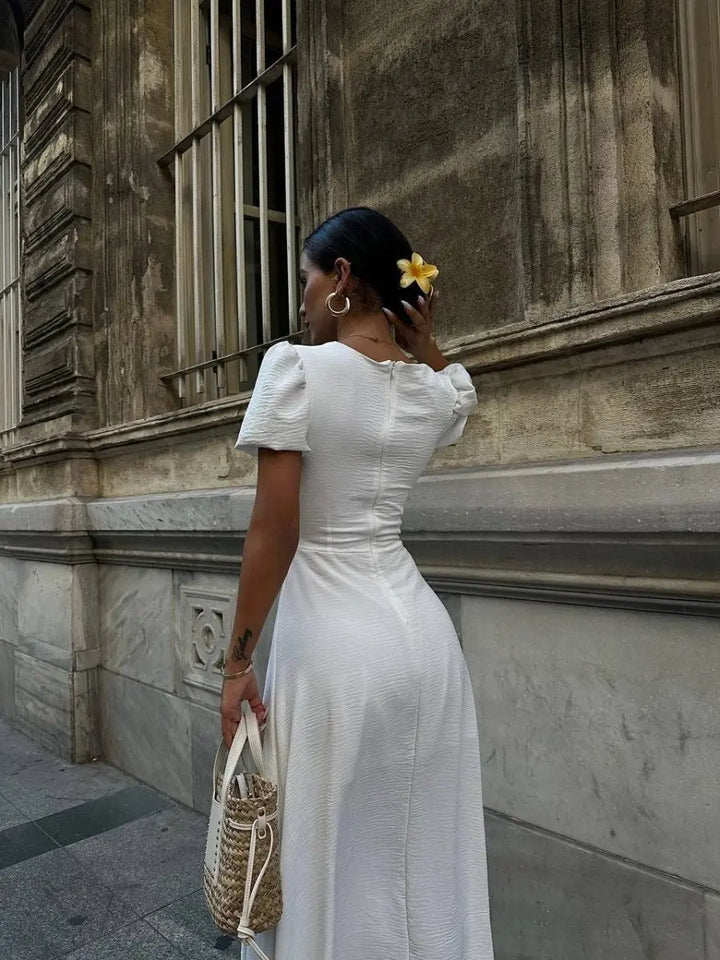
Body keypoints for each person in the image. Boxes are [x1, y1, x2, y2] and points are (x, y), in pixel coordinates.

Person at [220, 206, 494, 960]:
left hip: (333, 649)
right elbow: (457, 394)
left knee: (323, 855)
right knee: (422, 851)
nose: (304, 300)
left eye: (307, 280)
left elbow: (274, 531)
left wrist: (237, 664)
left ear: (341, 277)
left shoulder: (296, 372)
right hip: (425, 646)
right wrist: (422, 340)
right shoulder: (431, 391)